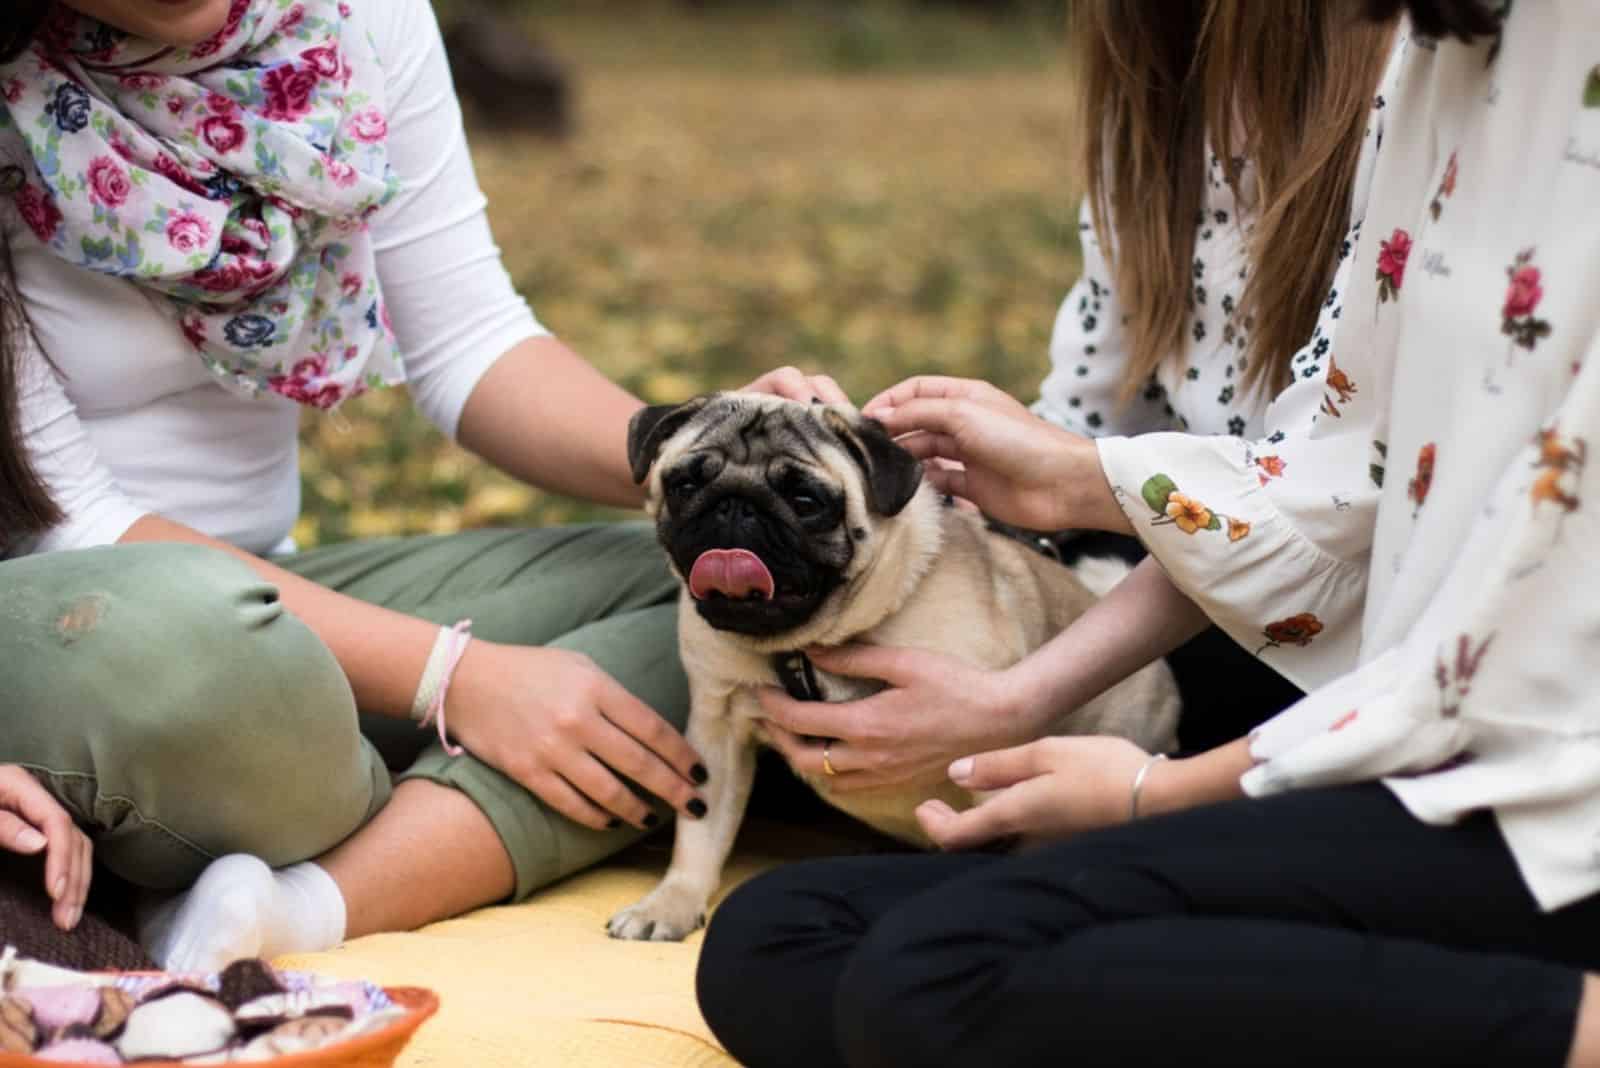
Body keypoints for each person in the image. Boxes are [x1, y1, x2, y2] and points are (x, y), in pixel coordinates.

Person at [697, 1, 1600, 1064]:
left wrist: (1147, 792)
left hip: (1527, 784)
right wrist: (1029, 483)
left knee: (932, 977)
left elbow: (1486, 654)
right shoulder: (1442, 54)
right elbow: (1344, 475)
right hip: (1382, 718)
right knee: (780, 940)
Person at [0, 0, 841, 971]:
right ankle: (329, 779)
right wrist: (455, 679)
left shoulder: (357, 20)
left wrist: (702, 465)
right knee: (214, 658)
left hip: (273, 612)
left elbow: (469, 343)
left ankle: (283, 906)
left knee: (712, 603)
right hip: (94, 629)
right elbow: (67, 520)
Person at [754, 0, 1398, 793]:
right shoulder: (1150, 110)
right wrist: (933, 478)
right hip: (1188, 570)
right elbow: (1098, 411)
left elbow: (1322, 507)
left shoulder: (1412, 101)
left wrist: (1017, 695)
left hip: (1345, 635)